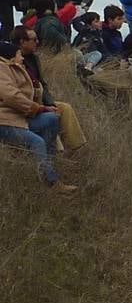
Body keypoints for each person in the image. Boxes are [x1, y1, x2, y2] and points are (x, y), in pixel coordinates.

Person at [0, 39, 76, 192]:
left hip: (18, 117)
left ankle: (48, 164)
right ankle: (51, 183)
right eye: (19, 54)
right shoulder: (2, 70)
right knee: (37, 142)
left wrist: (43, 108)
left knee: (51, 119)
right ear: (10, 56)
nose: (22, 58)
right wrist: (39, 108)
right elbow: (12, 97)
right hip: (5, 121)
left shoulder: (12, 68)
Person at [13, 27, 86, 150]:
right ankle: (57, 153)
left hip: (38, 100)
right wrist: (44, 108)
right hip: (25, 107)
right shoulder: (11, 61)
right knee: (50, 115)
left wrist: (50, 103)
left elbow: (42, 83)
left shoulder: (33, 58)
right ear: (22, 42)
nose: (37, 42)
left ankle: (75, 149)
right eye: (34, 39)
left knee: (64, 108)